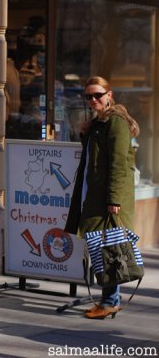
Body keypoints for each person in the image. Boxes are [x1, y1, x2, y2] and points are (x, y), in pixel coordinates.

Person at [64, 76, 140, 319]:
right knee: (104, 246)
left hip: (108, 199)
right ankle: (108, 299)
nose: (93, 100)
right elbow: (93, 160)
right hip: (95, 196)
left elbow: (119, 164)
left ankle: (109, 301)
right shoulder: (99, 123)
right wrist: (85, 134)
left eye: (98, 95)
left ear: (109, 94)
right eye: (89, 96)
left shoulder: (115, 122)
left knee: (109, 247)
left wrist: (114, 199)